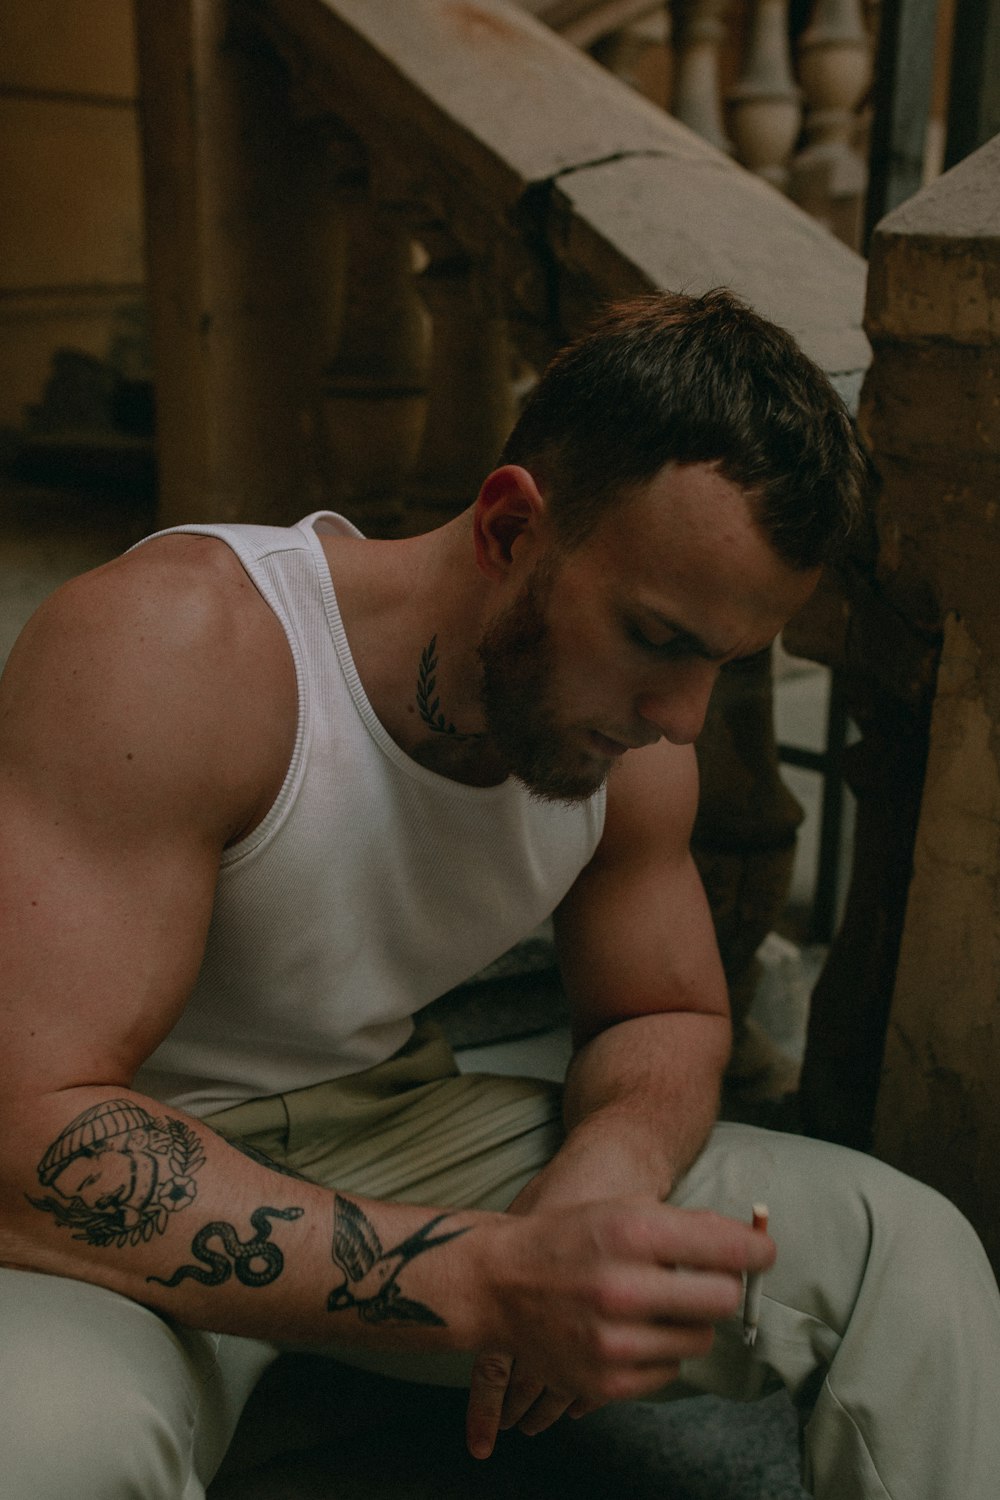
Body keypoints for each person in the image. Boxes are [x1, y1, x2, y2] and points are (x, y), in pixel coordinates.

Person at [0, 290, 997, 1500]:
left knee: (910, 1255)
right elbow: (26, 1133)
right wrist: (489, 1276)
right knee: (43, 1445)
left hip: (401, 1129)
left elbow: (664, 1014)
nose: (682, 720)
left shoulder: (632, 742)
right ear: (509, 526)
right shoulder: (179, 649)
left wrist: (609, 1169)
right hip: (124, 1183)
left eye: (723, 665)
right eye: (655, 636)